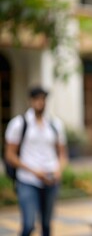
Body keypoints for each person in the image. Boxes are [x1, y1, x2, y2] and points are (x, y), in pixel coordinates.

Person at [5, 86, 68, 236]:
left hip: (50, 179)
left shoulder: (54, 124)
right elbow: (10, 155)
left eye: (43, 99)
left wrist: (59, 170)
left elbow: (62, 154)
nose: (40, 103)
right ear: (30, 101)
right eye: (37, 99)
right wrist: (34, 172)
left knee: (46, 225)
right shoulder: (19, 124)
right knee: (28, 225)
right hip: (28, 179)